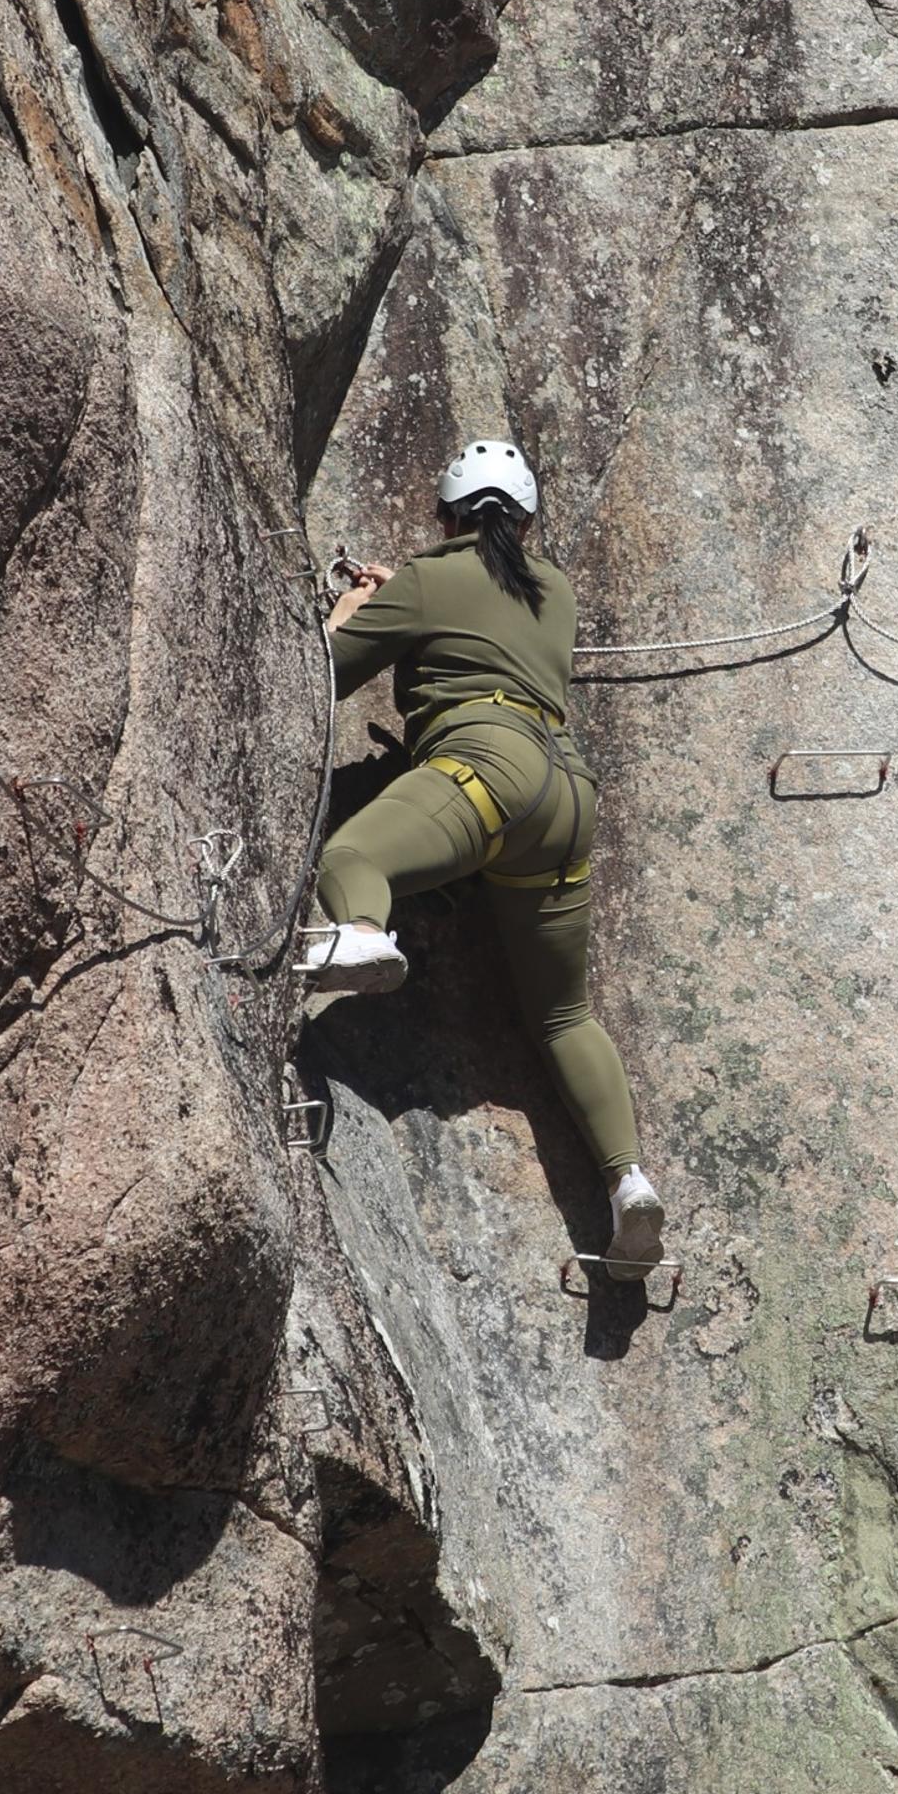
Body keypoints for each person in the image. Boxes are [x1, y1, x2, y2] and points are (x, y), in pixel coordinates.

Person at [300, 439, 664, 1274]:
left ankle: (360, 932)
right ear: (525, 519)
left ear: (449, 514)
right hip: (568, 800)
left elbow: (318, 672)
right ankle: (628, 1181)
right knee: (563, 1014)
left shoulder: (430, 579)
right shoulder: (559, 595)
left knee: (354, 852)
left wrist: (360, 604)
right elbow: (489, 619)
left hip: (486, 769)